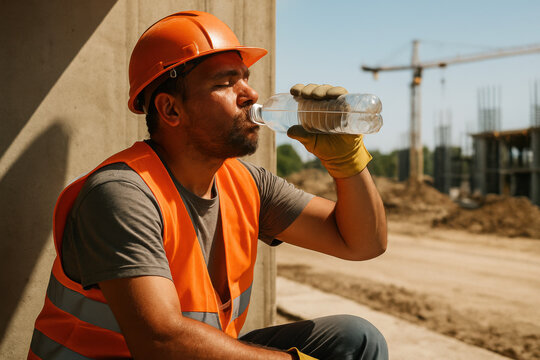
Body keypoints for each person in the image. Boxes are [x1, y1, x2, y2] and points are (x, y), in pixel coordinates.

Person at [28, 10, 388, 360]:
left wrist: (347, 162)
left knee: (354, 340)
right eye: (226, 83)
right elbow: (161, 343)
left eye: (245, 78)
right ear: (170, 110)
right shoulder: (121, 194)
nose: (250, 95)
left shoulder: (246, 184)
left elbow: (362, 242)